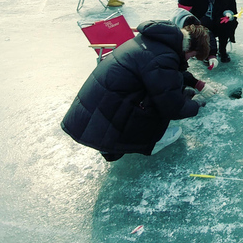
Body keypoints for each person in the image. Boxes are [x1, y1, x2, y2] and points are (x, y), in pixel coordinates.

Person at [61, 20, 211, 162]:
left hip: (95, 111)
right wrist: (196, 104)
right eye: (192, 57)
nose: (189, 61)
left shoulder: (157, 41)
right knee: (164, 104)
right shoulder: (164, 58)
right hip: (105, 121)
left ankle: (118, 141)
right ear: (189, 48)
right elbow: (173, 108)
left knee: (173, 93)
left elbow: (168, 76)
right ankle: (153, 142)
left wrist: (196, 83)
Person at [178, 0, 238, 66]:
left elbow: (234, 11)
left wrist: (229, 15)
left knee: (227, 24)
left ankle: (222, 50)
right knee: (204, 24)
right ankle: (206, 53)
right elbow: (183, 1)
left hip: (219, 21)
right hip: (201, 21)